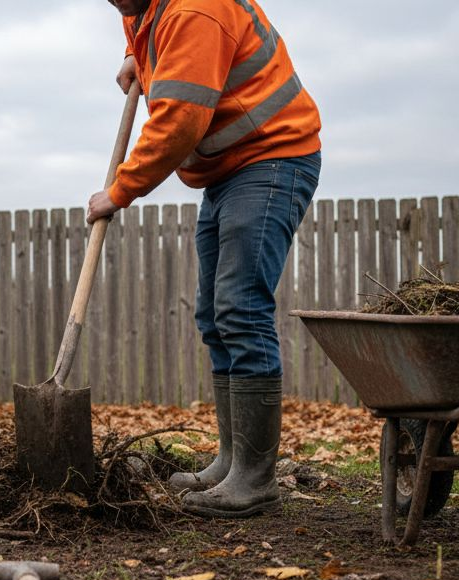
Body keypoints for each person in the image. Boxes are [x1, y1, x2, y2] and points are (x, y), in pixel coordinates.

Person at [87, 0, 322, 518]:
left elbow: (179, 122)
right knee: (214, 316)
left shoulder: (195, 11)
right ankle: (232, 462)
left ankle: (255, 480)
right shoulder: (142, 6)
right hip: (229, 169)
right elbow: (139, 21)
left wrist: (120, 191)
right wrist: (132, 53)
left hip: (272, 157)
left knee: (241, 309)